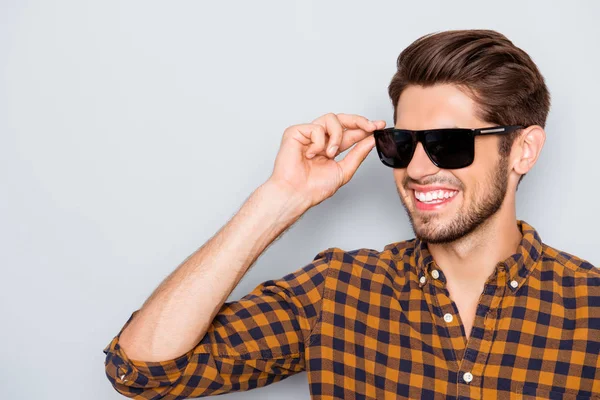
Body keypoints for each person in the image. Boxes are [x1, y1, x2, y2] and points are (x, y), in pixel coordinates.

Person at [103, 29, 599, 399]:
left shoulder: (592, 311)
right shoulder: (339, 289)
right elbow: (146, 369)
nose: (418, 169)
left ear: (523, 151)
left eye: (448, 144)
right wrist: (279, 201)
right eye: (401, 144)